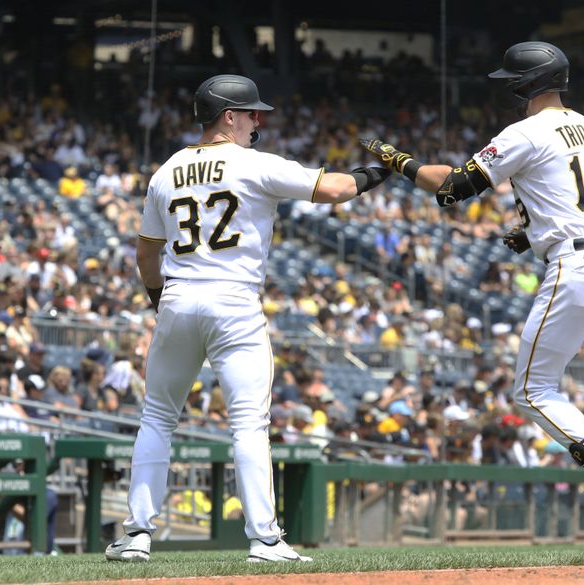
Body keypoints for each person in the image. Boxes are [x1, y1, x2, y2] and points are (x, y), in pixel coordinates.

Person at [361, 41, 584, 555]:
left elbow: (453, 189)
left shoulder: (525, 131)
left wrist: (398, 160)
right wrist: (531, 234)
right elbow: (576, 198)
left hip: (578, 268)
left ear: (522, 85)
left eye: (511, 80)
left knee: (531, 389)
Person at [105, 74, 390, 564]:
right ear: (228, 116)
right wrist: (385, 167)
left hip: (178, 295)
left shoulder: (166, 170)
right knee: (249, 425)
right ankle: (265, 540)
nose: (258, 120)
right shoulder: (253, 163)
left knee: (156, 416)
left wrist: (161, 304)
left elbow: (146, 256)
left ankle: (135, 536)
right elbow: (340, 189)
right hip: (233, 300)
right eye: (251, 112)